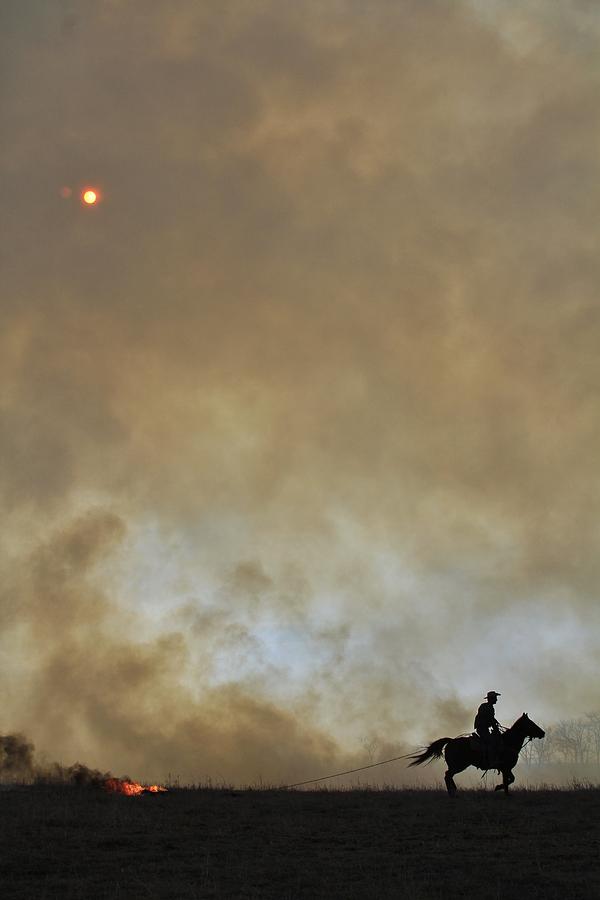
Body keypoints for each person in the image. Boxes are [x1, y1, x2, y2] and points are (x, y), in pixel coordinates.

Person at [474, 691, 501, 766]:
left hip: (482, 728)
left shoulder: (486, 706)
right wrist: (496, 729)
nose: (496, 699)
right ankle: (490, 760)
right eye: (495, 698)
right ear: (491, 699)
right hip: (482, 729)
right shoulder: (488, 707)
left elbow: (490, 719)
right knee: (492, 742)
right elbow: (490, 719)